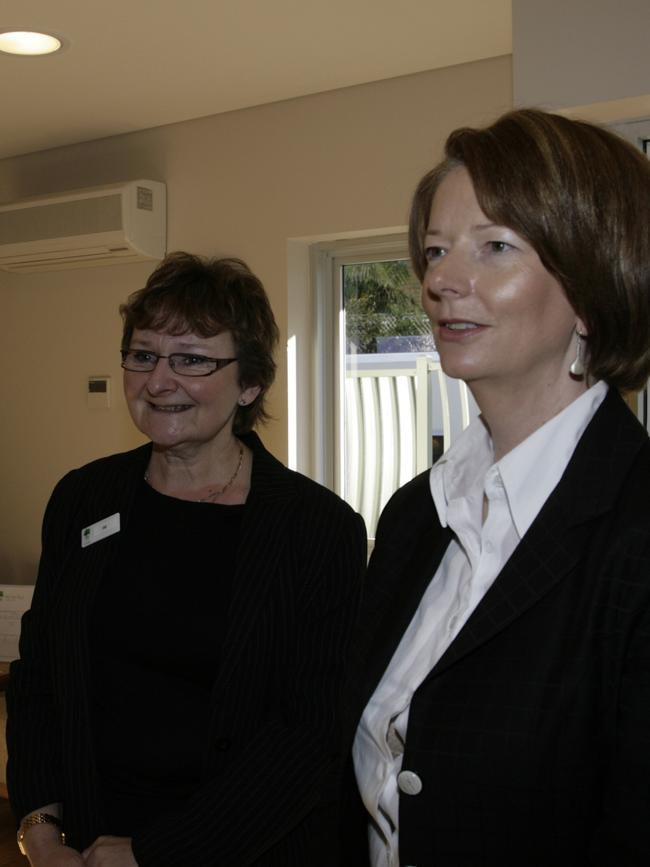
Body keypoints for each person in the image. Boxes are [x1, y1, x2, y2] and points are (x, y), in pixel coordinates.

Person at [346, 109, 650, 866]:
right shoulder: (416, 513)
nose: (441, 279)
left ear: (591, 284)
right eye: (437, 250)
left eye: (495, 247)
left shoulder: (637, 530)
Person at [7, 252, 367, 866]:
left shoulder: (318, 529)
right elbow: (40, 673)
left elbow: (310, 739)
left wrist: (156, 853)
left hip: (246, 849)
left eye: (192, 359)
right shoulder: (83, 497)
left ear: (250, 383)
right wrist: (40, 827)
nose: (158, 380)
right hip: (90, 842)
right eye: (143, 354)